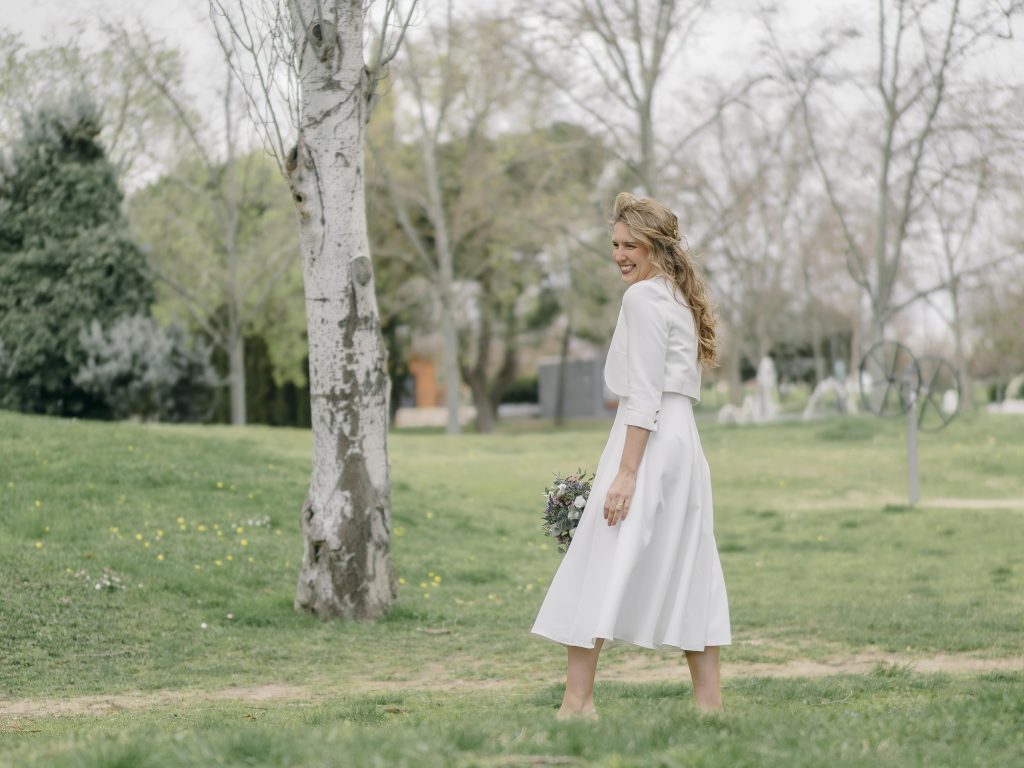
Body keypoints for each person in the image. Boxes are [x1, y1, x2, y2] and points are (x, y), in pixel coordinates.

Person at [531, 192, 731, 718]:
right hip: (683, 444)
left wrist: (624, 472)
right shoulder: (674, 298)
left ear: (656, 247)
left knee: (599, 558)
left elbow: (642, 394)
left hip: (647, 438)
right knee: (692, 565)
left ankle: (578, 703)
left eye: (630, 245)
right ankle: (710, 709)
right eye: (615, 245)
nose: (620, 255)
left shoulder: (642, 300)